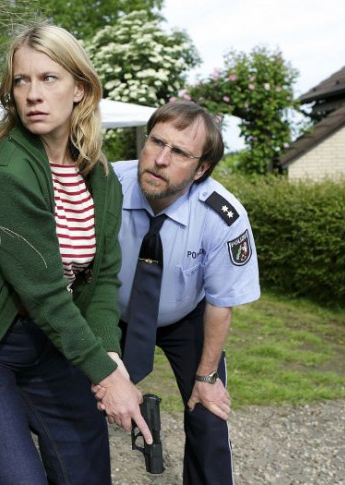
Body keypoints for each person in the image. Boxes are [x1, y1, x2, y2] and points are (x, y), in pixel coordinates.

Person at [0, 24, 151, 485]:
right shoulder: (9, 174)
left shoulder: (100, 176)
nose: (33, 94)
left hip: (51, 345)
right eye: (21, 81)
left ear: (80, 88)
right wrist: (108, 378)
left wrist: (109, 352)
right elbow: (46, 294)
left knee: (87, 472)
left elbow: (103, 278)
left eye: (49, 78)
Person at [110, 101, 261, 484]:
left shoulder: (223, 217)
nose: (160, 159)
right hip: (111, 311)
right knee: (74, 402)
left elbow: (221, 302)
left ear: (201, 169)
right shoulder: (107, 184)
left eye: (179, 152)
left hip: (186, 316)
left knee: (209, 414)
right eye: (156, 142)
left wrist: (206, 377)